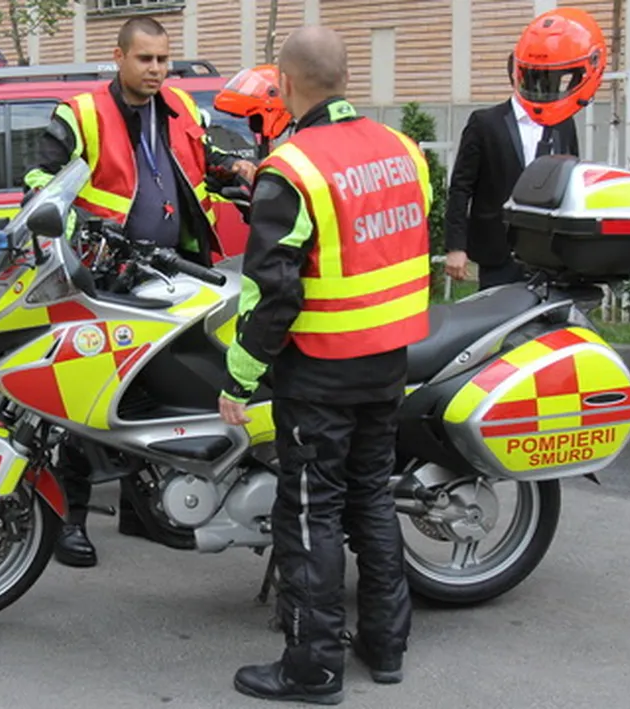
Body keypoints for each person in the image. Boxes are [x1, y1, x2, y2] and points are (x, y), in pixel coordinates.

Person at [218, 25, 431, 704]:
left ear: (284, 83)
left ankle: (312, 666)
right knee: (371, 498)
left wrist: (240, 375)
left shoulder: (294, 167)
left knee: (310, 513)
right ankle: (386, 644)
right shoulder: (403, 151)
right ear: (344, 79)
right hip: (387, 362)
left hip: (320, 371)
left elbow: (271, 293)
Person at [23, 15, 257, 568]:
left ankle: (142, 512)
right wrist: (77, 232)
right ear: (120, 56)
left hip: (175, 274)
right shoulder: (81, 112)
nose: (157, 69)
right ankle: (69, 522)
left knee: (150, 400)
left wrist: (239, 167)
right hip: (104, 277)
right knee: (85, 401)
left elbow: (204, 163)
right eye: (145, 59)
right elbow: (39, 181)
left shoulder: (180, 107)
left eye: (163, 59)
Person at [444, 52, 580, 290]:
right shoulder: (485, 123)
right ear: (515, 77)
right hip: (498, 252)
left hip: (550, 255)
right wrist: (456, 246)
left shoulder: (563, 123)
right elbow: (460, 187)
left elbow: (572, 182)